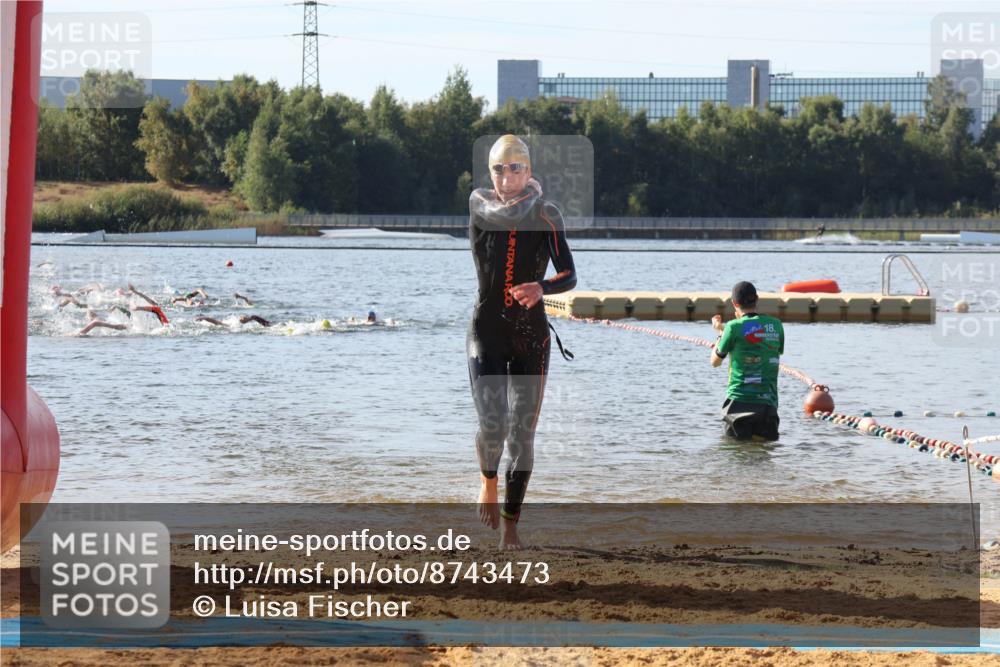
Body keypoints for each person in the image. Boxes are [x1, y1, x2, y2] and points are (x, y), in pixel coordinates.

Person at [468, 134, 577, 550]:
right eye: (499, 168)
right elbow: (502, 211)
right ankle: (487, 481)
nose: (507, 177)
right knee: (492, 424)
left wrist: (542, 288)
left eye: (516, 168)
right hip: (487, 330)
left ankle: (512, 525)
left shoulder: (548, 215)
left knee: (522, 434)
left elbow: (569, 274)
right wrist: (535, 197)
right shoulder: (480, 204)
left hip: (531, 334)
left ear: (529, 172)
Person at [710, 281, 784, 441]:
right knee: (763, 457)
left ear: (734, 303)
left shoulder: (732, 327)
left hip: (738, 405)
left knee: (736, 457)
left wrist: (719, 333)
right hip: (767, 406)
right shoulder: (776, 325)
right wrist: (727, 329)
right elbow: (757, 340)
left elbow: (715, 362)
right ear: (757, 299)